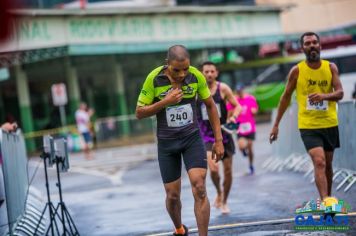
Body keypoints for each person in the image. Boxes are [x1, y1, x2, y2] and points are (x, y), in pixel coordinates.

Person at [136, 45, 224, 236]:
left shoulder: (195, 76)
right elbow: (139, 112)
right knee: (172, 196)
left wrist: (218, 140)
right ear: (167, 64)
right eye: (177, 70)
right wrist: (165, 102)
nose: (182, 74)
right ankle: (179, 228)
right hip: (167, 144)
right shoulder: (154, 78)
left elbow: (210, 106)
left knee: (200, 187)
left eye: (186, 69)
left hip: (191, 138)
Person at [270, 32, 343, 203]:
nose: (312, 45)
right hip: (308, 125)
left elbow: (340, 93)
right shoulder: (297, 71)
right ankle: (325, 201)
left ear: (320, 45)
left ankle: (328, 196)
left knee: (328, 166)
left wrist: (323, 97)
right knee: (319, 162)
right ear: (303, 48)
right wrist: (276, 124)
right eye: (308, 43)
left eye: (314, 42)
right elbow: (285, 97)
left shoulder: (331, 67)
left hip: (330, 122)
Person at [197, 61, 241, 214]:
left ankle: (225, 200)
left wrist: (233, 117)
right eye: (206, 71)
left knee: (228, 171)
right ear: (201, 73)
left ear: (216, 73)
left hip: (224, 134)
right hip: (206, 136)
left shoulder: (223, 88)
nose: (209, 74)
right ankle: (219, 192)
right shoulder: (196, 90)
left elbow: (238, 105)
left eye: (211, 71)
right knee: (214, 169)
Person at [227, 83, 258, 175]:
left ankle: (251, 164)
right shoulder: (233, 100)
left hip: (250, 126)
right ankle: (244, 152)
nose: (239, 92)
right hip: (239, 127)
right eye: (237, 91)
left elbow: (255, 110)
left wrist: (254, 111)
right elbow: (229, 113)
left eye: (240, 91)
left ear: (243, 90)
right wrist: (231, 116)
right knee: (241, 146)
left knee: (250, 146)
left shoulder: (250, 98)